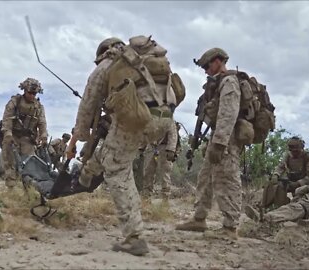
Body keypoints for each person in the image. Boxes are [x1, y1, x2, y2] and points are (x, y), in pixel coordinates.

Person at [67, 35, 179, 256]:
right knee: (113, 153)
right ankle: (86, 175)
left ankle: (134, 236)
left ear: (102, 53)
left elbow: (87, 105)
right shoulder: (141, 60)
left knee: (117, 168)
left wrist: (78, 137)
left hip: (138, 117)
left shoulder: (107, 65)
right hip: (165, 119)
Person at [176, 48, 243, 240]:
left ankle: (230, 228)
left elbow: (228, 114)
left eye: (207, 65)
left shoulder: (229, 82)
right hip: (217, 137)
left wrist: (220, 143)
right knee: (205, 178)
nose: (205, 70)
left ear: (219, 61)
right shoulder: (216, 83)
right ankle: (199, 219)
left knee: (227, 179)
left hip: (226, 138)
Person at [0, 78, 48, 189]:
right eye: (30, 93)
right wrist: (7, 133)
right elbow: (7, 119)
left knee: (30, 164)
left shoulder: (39, 107)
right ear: (24, 90)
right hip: (13, 136)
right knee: (10, 162)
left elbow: (42, 122)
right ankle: (11, 188)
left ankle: (29, 190)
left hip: (28, 139)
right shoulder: (15, 101)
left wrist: (43, 135)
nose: (32, 96)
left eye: (34, 93)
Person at [261, 136, 309, 209]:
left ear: (301, 148)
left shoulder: (308, 157)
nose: (294, 153)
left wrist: (298, 183)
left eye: (296, 150)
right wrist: (276, 175)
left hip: (305, 185)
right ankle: (273, 207)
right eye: (292, 151)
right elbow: (281, 167)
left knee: (301, 201)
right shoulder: (288, 155)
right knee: (276, 186)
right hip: (291, 182)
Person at [141, 121, 179, 199]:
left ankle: (165, 198)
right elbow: (145, 132)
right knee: (147, 172)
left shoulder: (169, 118)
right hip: (151, 146)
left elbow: (173, 134)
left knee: (165, 174)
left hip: (164, 148)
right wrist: (141, 147)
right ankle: (146, 195)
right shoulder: (151, 117)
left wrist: (171, 149)